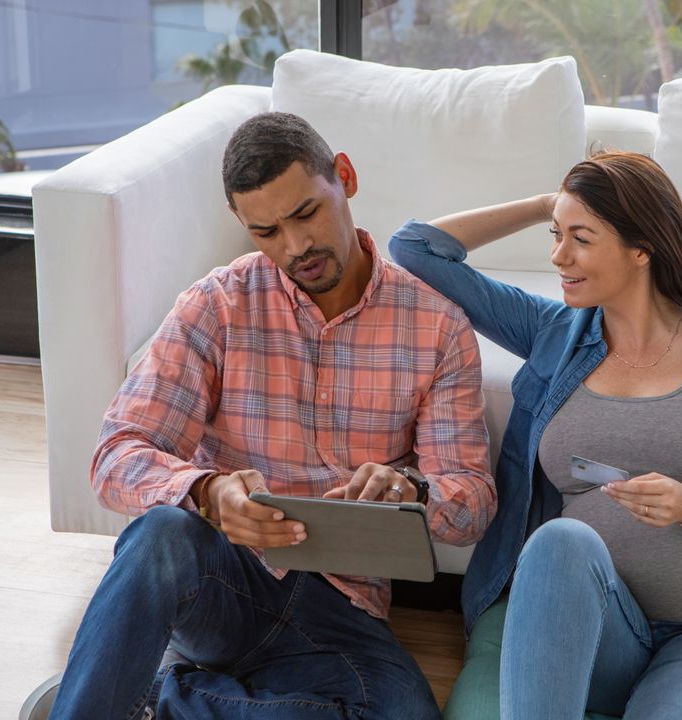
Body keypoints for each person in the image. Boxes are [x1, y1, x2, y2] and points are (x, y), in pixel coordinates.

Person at [47, 112, 496, 720]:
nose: (295, 247)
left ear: (345, 177)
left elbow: (471, 502)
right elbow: (116, 455)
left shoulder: (437, 327)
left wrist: (412, 489)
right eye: (266, 231)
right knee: (161, 535)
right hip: (222, 584)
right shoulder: (216, 304)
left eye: (306, 214)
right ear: (242, 224)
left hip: (339, 608)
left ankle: (150, 702)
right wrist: (206, 491)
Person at [388, 151, 682, 720]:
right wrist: (549, 203)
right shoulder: (554, 333)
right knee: (558, 541)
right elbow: (415, 249)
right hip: (598, 636)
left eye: (581, 238)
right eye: (556, 235)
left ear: (641, 248)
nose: (559, 256)